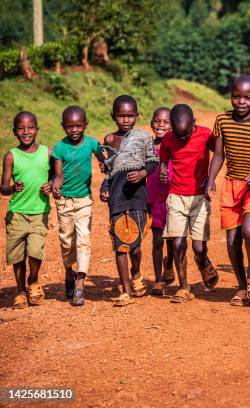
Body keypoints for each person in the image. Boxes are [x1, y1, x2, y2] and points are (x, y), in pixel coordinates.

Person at [206, 75, 250, 306]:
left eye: (248, 98)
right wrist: (210, 179)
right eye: (236, 97)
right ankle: (241, 287)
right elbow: (219, 154)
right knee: (231, 240)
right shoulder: (222, 120)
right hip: (231, 185)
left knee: (249, 231)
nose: (241, 102)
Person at [101, 95, 159, 307]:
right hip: (116, 198)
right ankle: (125, 290)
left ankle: (136, 272)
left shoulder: (144, 137)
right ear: (113, 116)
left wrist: (143, 173)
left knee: (134, 245)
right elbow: (107, 171)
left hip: (137, 197)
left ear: (137, 116)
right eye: (121, 116)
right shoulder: (108, 141)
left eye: (130, 116)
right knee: (120, 245)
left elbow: (153, 161)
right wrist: (105, 188)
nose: (126, 120)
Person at [159, 104, 218, 303]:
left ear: (194, 123)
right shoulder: (168, 139)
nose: (182, 139)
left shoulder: (205, 135)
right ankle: (184, 287)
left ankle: (203, 263)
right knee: (177, 243)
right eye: (178, 134)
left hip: (200, 197)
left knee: (199, 247)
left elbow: (219, 153)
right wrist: (162, 171)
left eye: (186, 134)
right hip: (176, 196)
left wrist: (210, 178)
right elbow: (163, 163)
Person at [51, 105, 105, 306]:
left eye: (78, 126)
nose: (74, 130)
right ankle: (69, 273)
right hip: (64, 200)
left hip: (84, 201)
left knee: (83, 239)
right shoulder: (59, 148)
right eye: (70, 126)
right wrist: (56, 186)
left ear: (85, 125)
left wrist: (103, 164)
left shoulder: (91, 142)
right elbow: (58, 176)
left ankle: (80, 284)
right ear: (63, 126)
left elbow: (103, 158)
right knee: (66, 241)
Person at [1, 111, 53, 309]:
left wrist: (50, 185)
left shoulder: (46, 153)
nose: (26, 131)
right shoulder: (10, 156)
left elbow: (54, 176)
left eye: (30, 127)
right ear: (14, 131)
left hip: (40, 211)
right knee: (17, 255)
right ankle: (20, 290)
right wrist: (13, 188)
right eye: (21, 128)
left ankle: (33, 280)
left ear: (37, 130)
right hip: (17, 213)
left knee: (35, 251)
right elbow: (3, 187)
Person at [146, 107, 175, 297]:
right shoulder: (147, 146)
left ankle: (169, 264)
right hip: (153, 200)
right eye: (157, 121)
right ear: (151, 124)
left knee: (172, 240)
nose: (161, 125)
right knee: (157, 240)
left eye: (166, 122)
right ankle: (157, 280)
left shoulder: (176, 146)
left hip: (173, 199)